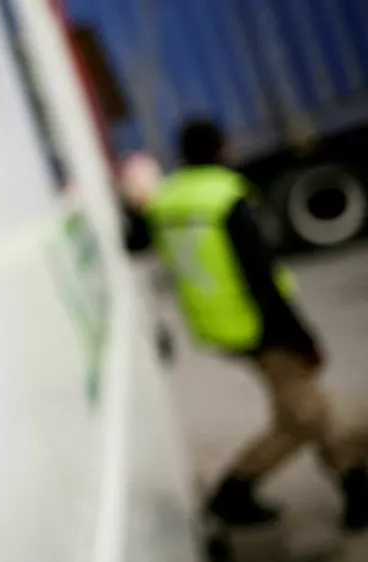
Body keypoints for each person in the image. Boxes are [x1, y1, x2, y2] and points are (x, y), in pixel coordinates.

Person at [122, 120, 368, 531]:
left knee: (303, 410)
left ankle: (350, 491)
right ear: (222, 148)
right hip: (262, 327)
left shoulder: (167, 201)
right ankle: (239, 492)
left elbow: (134, 240)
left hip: (219, 327)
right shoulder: (226, 198)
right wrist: (301, 336)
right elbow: (261, 278)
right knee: (309, 413)